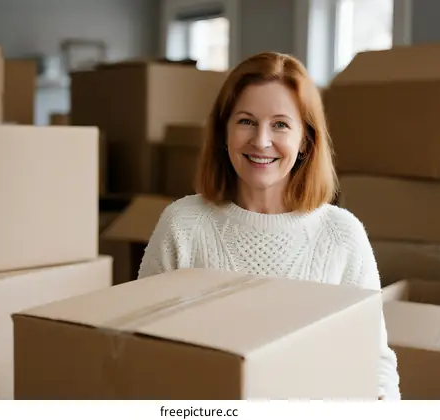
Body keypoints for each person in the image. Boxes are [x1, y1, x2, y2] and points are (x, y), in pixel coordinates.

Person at [138, 52, 401, 400]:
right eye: (246, 121)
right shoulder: (182, 225)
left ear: (305, 139)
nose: (261, 141)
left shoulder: (342, 236)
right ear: (223, 133)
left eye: (280, 124)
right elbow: (140, 350)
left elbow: (376, 363)